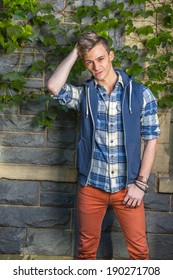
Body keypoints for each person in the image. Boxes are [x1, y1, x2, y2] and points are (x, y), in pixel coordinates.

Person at [47, 31, 160, 260]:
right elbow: (54, 87)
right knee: (85, 252)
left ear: (111, 56)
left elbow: (151, 140)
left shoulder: (140, 93)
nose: (95, 66)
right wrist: (75, 52)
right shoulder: (85, 94)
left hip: (127, 188)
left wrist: (140, 183)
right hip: (91, 187)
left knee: (140, 252)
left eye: (100, 59)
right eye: (89, 61)